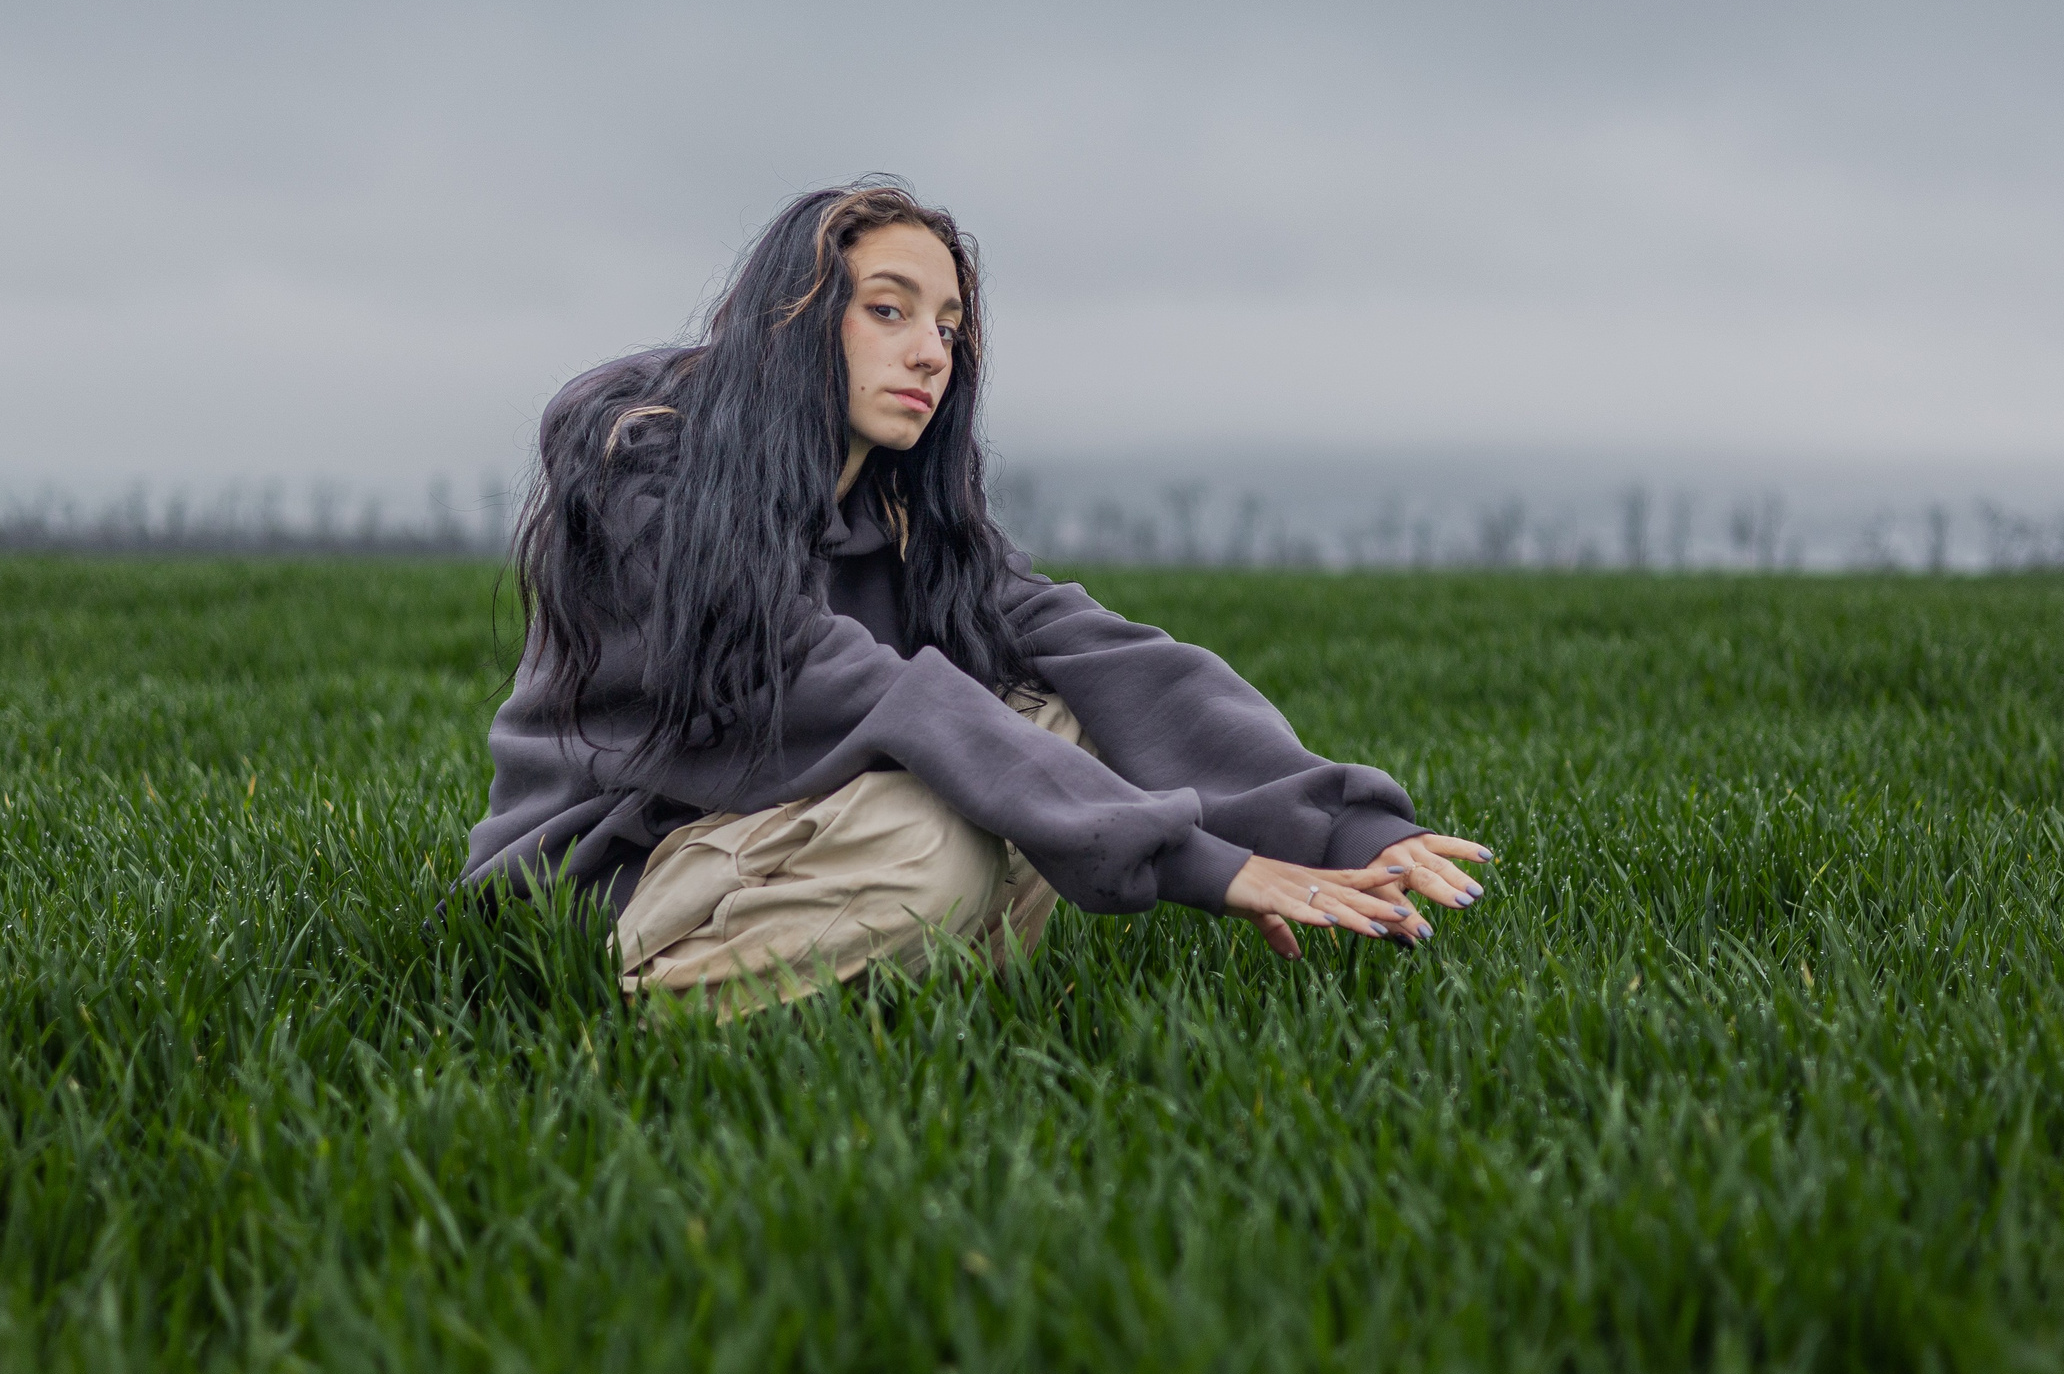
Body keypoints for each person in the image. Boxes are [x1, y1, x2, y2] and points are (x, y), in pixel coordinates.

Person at [462, 180, 1491, 1010]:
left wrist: (1335, 825)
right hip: (601, 879)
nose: (930, 352)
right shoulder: (650, 479)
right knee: (933, 834)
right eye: (888, 310)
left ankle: (901, 1008)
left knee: (1061, 712)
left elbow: (1101, 650)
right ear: (793, 321)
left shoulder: (902, 515)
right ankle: (667, 1015)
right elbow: (844, 680)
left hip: (749, 849)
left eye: (949, 328)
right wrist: (1194, 860)